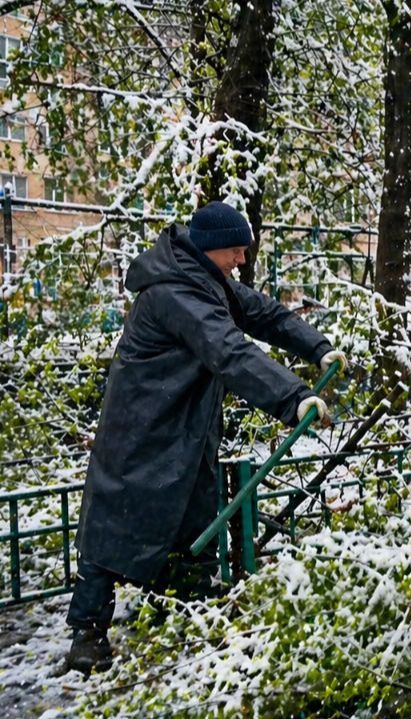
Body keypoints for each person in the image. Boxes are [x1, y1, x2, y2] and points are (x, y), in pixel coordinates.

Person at [64, 201, 346, 674]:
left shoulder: (205, 281)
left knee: (193, 513)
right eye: (235, 250)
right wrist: (293, 397)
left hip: (184, 425)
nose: (241, 259)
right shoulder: (175, 293)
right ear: (211, 247)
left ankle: (182, 606)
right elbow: (229, 350)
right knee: (117, 524)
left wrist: (317, 348)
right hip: (141, 427)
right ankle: (87, 634)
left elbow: (266, 315)